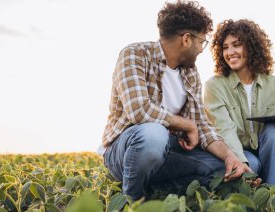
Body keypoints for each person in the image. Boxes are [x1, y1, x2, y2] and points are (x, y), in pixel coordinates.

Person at [99, 2, 258, 201]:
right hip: (125, 153)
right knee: (154, 134)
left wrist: (229, 157)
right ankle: (133, 200)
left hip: (169, 153)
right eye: (202, 42)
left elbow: (202, 125)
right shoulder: (134, 55)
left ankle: (157, 190)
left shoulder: (190, 72)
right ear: (186, 39)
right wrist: (186, 125)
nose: (202, 49)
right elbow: (139, 111)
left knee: (229, 167)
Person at [203, 19, 275, 185]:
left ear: (252, 47)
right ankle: (265, 190)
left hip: (268, 150)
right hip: (237, 151)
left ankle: (272, 191)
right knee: (254, 165)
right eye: (225, 47)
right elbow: (224, 130)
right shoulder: (214, 86)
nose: (230, 52)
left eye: (236, 45)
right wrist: (242, 164)